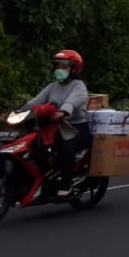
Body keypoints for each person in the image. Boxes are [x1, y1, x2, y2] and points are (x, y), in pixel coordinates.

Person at [22, 49, 91, 197]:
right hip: (55, 126)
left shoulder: (78, 86)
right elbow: (36, 101)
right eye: (58, 67)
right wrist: (19, 110)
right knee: (34, 142)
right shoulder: (52, 86)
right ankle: (43, 174)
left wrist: (63, 112)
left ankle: (67, 184)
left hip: (76, 128)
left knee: (65, 145)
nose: (60, 70)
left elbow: (72, 101)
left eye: (64, 67)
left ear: (74, 69)